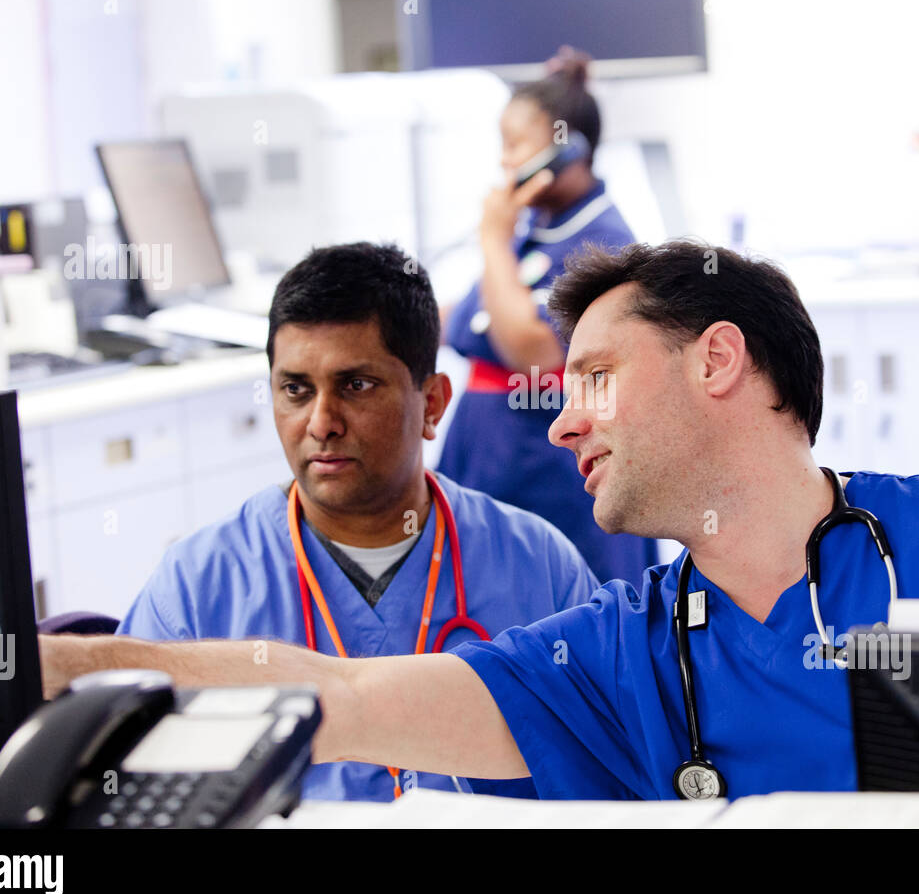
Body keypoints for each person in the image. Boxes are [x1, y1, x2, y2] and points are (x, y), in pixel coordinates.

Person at [45, 239, 919, 801]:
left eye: (594, 375)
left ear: (717, 361)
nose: (560, 422)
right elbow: (336, 695)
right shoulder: (616, 653)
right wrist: (77, 665)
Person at [114, 242, 597, 801]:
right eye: (295, 389)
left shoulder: (538, 567)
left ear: (434, 403)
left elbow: (604, 770)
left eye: (356, 386)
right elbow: (135, 791)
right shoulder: (198, 588)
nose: (321, 423)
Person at [438, 45, 659, 585]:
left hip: (548, 472)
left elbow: (532, 353)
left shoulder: (600, 242)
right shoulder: (536, 229)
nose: (504, 162)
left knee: (562, 616)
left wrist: (491, 237)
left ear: (566, 150)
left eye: (516, 146)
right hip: (490, 457)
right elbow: (470, 318)